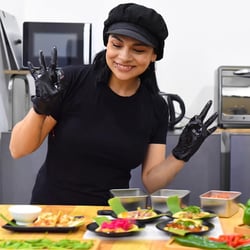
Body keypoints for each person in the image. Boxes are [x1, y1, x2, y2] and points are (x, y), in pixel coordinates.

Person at [9, 3, 217, 205]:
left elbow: (152, 183)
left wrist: (182, 153)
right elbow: (18, 150)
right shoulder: (72, 81)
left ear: (154, 55)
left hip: (111, 220)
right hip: (54, 214)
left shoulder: (155, 107)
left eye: (138, 50)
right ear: (107, 43)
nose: (124, 57)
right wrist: (40, 108)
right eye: (117, 45)